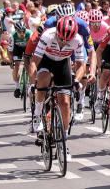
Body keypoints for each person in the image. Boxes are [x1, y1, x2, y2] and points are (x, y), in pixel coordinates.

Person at [31, 16, 87, 159]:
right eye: (61, 38)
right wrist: (33, 82)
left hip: (62, 63)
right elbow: (34, 61)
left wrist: (76, 80)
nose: (64, 42)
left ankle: (64, 143)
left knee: (65, 102)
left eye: (68, 40)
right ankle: (37, 114)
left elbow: (81, 65)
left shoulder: (78, 40)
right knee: (42, 82)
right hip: (46, 60)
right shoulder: (47, 35)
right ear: (57, 33)